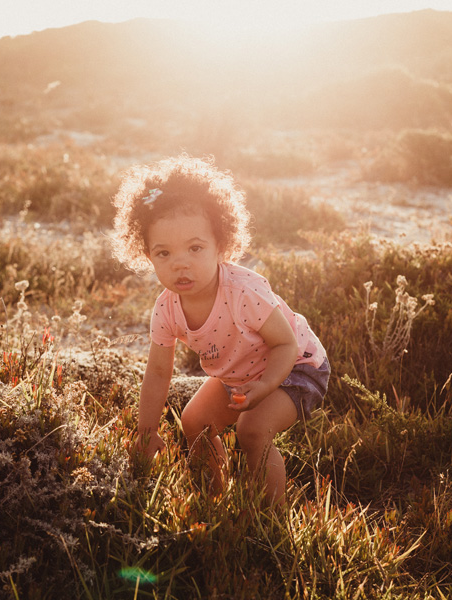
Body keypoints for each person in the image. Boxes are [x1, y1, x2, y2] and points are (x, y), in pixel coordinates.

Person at [110, 155, 330, 504]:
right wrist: (146, 430)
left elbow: (285, 345)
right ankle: (216, 495)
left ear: (220, 245)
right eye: (163, 253)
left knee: (252, 430)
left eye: (195, 248)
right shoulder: (166, 309)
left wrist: (263, 386)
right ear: (146, 256)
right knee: (194, 422)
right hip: (240, 374)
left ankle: (272, 519)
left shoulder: (243, 292)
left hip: (296, 368)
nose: (180, 262)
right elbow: (156, 372)